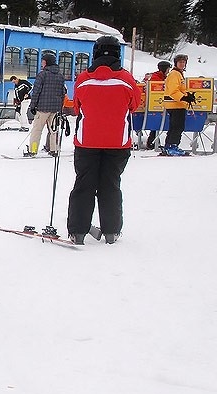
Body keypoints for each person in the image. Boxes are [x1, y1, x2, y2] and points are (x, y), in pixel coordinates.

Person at [66, 36, 141, 245]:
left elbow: (77, 107)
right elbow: (134, 105)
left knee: (83, 185)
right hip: (118, 142)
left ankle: (77, 232)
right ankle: (111, 231)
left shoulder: (83, 78)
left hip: (87, 141)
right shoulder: (126, 79)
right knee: (110, 185)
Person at [26, 53, 66, 157]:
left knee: (37, 131)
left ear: (46, 62)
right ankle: (54, 150)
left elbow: (36, 91)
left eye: (43, 61)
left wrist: (33, 106)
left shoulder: (42, 75)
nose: (41, 63)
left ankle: (33, 150)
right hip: (55, 109)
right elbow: (63, 93)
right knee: (54, 130)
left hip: (42, 108)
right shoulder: (60, 76)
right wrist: (60, 107)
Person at [162, 54, 197, 156]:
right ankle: (173, 146)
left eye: (183, 62)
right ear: (176, 63)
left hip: (178, 104)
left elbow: (181, 89)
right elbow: (173, 90)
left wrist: (188, 95)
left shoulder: (179, 74)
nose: (182, 64)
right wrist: (184, 98)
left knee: (174, 126)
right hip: (175, 104)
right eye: (180, 62)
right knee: (178, 127)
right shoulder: (174, 74)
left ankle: (168, 146)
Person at [145, 61, 171, 150]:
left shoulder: (161, 77)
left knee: (157, 123)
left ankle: (153, 141)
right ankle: (152, 142)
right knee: (156, 122)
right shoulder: (156, 78)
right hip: (155, 103)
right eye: (168, 69)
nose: (168, 71)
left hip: (158, 103)